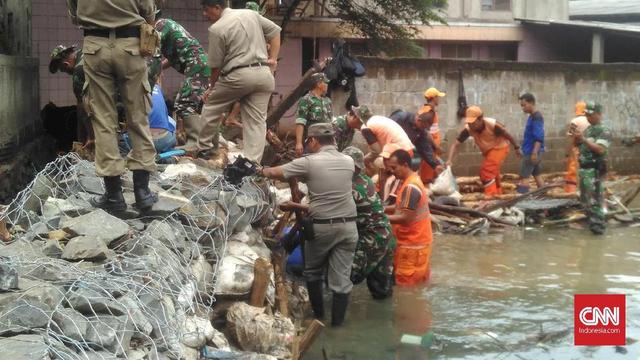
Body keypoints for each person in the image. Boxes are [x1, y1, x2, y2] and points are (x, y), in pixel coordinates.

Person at [260, 123, 358, 326]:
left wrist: (259, 169)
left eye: (308, 142)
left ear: (313, 140)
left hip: (322, 228)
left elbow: (274, 173)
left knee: (313, 272)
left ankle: (319, 320)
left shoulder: (309, 162)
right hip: (349, 228)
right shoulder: (349, 161)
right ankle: (337, 328)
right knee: (341, 282)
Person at [66, 0, 158, 213]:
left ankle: (114, 195)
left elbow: (75, 16)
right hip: (131, 46)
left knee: (103, 120)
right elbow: (149, 12)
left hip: (94, 47)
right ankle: (142, 193)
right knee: (138, 117)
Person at [197, 0, 281, 163]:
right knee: (256, 122)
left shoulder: (217, 28)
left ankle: (204, 149)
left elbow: (215, 67)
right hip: (264, 74)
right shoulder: (250, 14)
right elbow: (275, 31)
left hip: (238, 75)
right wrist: (274, 59)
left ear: (217, 7)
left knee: (212, 105)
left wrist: (211, 88)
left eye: (207, 10)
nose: (204, 14)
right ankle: (251, 164)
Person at [49, 43, 161, 151]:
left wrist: (89, 138)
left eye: (63, 70)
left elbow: (82, 109)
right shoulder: (89, 53)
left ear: (65, 64)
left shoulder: (79, 70)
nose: (66, 72)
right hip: (138, 87)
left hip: (121, 100)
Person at [342, 146, 395, 300]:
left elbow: (330, 211)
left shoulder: (351, 186)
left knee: (347, 276)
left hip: (373, 238)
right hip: (386, 236)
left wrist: (296, 206)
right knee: (382, 291)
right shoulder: (365, 180)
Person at [155, 15, 210, 149]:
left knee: (184, 102)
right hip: (199, 64)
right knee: (197, 105)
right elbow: (174, 55)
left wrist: (153, 68)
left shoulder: (160, 25)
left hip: (197, 64)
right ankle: (206, 143)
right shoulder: (170, 27)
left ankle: (195, 142)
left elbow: (153, 52)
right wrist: (161, 66)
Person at [447, 106, 522, 196]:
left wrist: (517, 148)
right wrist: (449, 159)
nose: (471, 125)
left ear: (480, 119)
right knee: (493, 173)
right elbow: (455, 144)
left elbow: (507, 135)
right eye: (469, 123)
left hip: (500, 147)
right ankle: (498, 194)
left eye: (473, 123)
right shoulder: (468, 129)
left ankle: (490, 197)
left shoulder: (492, 125)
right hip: (488, 151)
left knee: (486, 172)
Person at [385, 150, 433, 286]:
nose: (391, 171)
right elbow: (400, 206)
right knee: (419, 283)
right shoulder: (411, 181)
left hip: (412, 246)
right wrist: (382, 209)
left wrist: (381, 217)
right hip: (418, 242)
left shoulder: (410, 187)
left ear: (405, 165)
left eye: (394, 167)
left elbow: (406, 218)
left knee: (405, 286)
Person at [571, 102, 611, 235]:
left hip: (594, 170)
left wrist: (584, 139)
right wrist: (577, 138)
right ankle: (591, 223)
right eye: (587, 114)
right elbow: (578, 146)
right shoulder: (588, 130)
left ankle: (598, 227)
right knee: (585, 199)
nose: (588, 117)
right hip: (584, 170)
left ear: (599, 114)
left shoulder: (604, 130)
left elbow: (600, 149)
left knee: (595, 200)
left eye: (591, 114)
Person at [390, 107, 444, 184]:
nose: (423, 129)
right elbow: (387, 129)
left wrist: (435, 165)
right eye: (423, 127)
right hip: (388, 152)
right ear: (419, 120)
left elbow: (425, 149)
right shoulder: (401, 118)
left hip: (401, 157)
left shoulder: (421, 130)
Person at [121, 83, 177, 154]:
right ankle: (163, 154)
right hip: (165, 140)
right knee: (170, 122)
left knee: (121, 139)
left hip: (144, 142)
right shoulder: (157, 87)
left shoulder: (132, 86)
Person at [295, 73, 332, 156]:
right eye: (325, 83)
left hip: (327, 143)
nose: (327, 85)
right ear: (319, 84)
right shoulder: (306, 100)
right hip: (312, 143)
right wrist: (299, 143)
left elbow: (331, 122)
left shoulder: (327, 101)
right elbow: (300, 122)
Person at [517, 93, 545, 193]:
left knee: (524, 176)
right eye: (522, 106)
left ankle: (522, 201)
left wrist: (534, 152)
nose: (523, 108)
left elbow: (539, 137)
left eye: (524, 105)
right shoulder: (532, 116)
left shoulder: (537, 117)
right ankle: (544, 197)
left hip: (532, 152)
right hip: (530, 150)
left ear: (531, 103)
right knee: (536, 174)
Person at [564, 101, 590, 193]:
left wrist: (568, 153)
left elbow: (571, 137)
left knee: (573, 171)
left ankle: (571, 192)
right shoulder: (590, 120)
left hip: (577, 149)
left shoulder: (575, 121)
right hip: (589, 150)